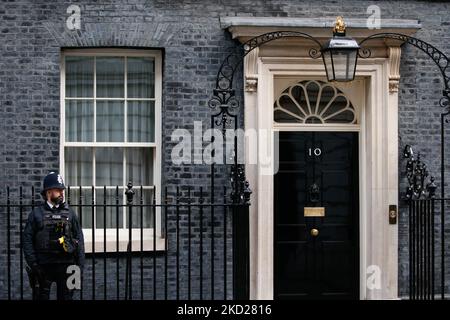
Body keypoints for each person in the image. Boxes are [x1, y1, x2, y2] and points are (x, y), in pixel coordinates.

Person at [23, 172, 85, 300]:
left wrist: (79, 267)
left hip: (67, 266)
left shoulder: (71, 213)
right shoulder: (36, 214)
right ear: (48, 192)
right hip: (43, 267)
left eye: (62, 190)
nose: (62, 193)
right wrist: (34, 265)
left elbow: (79, 239)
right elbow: (27, 240)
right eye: (58, 190)